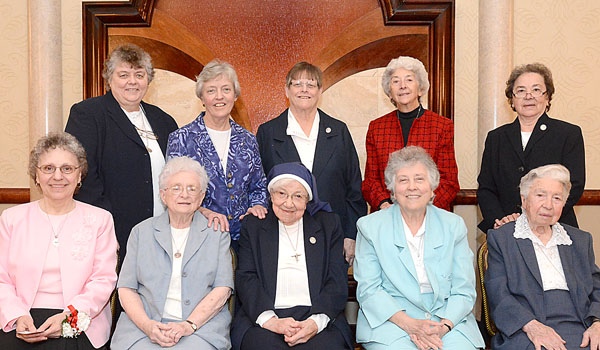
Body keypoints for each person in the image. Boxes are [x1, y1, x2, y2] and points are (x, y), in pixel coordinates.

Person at [354, 146, 484, 349]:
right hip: (392, 320)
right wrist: (411, 325)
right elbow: (369, 291)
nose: (412, 187)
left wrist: (443, 326)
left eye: (419, 179)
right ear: (393, 190)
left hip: (447, 318)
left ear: (432, 187)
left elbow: (464, 289)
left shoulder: (453, 225)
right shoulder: (370, 227)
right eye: (403, 180)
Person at [0, 132, 118, 349]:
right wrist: (17, 316)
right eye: (48, 168)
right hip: (20, 317)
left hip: (80, 319)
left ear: (80, 175)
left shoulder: (100, 220)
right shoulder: (11, 219)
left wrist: (68, 318)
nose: (57, 176)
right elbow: (2, 279)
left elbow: (103, 280)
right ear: (36, 175)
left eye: (67, 168)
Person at [65, 43, 178, 264]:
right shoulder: (88, 114)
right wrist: (105, 227)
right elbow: (83, 175)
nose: (132, 81)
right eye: (123, 74)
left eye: (139, 74)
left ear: (148, 79)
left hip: (162, 232)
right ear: (109, 78)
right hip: (111, 232)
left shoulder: (164, 121)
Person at [110, 156, 233, 349]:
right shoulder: (141, 232)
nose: (184, 194)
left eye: (192, 189)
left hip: (199, 329)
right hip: (143, 327)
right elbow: (126, 288)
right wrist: (147, 325)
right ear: (163, 195)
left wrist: (189, 325)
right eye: (176, 188)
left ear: (201, 197)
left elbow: (222, 289)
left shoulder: (217, 235)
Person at [231, 162, 353, 350]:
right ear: (271, 195)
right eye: (281, 194)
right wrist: (271, 321)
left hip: (317, 315)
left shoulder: (328, 225)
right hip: (265, 316)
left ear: (308, 200)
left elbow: (336, 279)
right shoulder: (254, 225)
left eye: (298, 196)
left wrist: (315, 323)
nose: (288, 203)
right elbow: (247, 277)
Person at [256, 61, 366, 265]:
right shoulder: (268, 133)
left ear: (320, 91)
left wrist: (351, 235)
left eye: (311, 84)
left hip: (332, 235)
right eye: (297, 84)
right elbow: (259, 188)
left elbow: (354, 189)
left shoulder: (339, 131)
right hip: (282, 235)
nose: (304, 90)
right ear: (286, 91)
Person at [485, 164, 600, 350]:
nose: (548, 205)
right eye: (540, 195)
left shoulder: (580, 240)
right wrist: (531, 326)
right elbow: (498, 294)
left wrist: (597, 323)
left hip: (579, 323)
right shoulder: (503, 239)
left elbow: (597, 288)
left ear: (564, 204)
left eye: (557, 198)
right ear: (524, 200)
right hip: (525, 327)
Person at [167, 59, 268, 251]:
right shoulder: (181, 139)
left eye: (226, 89)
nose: (219, 97)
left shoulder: (248, 139)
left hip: (244, 242)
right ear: (202, 98)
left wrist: (257, 207)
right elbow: (173, 191)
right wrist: (202, 212)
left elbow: (259, 187)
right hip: (198, 237)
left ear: (235, 95)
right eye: (211, 90)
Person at [477, 63, 585, 233]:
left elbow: (574, 185)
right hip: (507, 228)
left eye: (536, 90)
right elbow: (486, 188)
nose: (528, 96)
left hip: (555, 228)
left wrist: (537, 217)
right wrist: (501, 220)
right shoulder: (496, 137)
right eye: (520, 91)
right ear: (512, 99)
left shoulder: (568, 134)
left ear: (547, 97)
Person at [362, 56, 459, 212]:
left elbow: (449, 181)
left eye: (409, 80)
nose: (402, 86)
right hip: (387, 214)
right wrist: (385, 205)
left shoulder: (442, 126)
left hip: (430, 214)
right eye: (395, 81)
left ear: (420, 88)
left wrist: (422, 207)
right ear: (389, 92)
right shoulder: (377, 127)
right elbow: (371, 181)